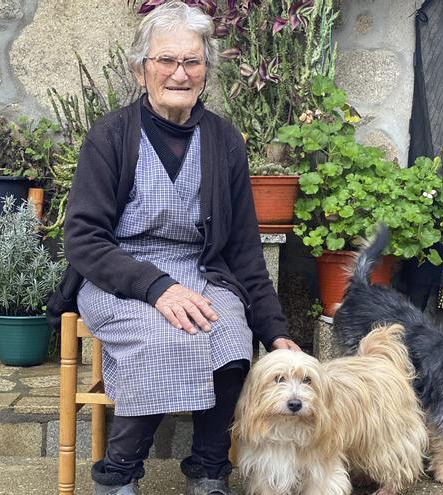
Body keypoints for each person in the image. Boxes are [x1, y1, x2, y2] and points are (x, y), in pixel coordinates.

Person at [64, 2, 300, 494]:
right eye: (165, 60)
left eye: (192, 62)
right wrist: (157, 288)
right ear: (140, 68)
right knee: (166, 337)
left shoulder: (223, 140)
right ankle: (116, 475)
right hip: (119, 276)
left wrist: (275, 332)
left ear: (206, 71)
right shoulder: (109, 136)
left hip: (201, 270)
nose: (179, 73)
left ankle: (210, 472)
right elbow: (83, 240)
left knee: (231, 336)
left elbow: (242, 247)